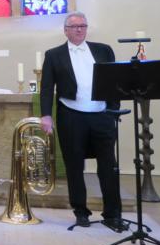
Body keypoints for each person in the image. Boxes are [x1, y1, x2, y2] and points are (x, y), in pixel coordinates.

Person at [40, 12, 124, 231]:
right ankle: (81, 212)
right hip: (71, 115)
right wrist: (46, 114)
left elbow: (114, 80)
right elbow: (47, 87)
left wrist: (113, 109)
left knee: (108, 166)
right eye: (74, 26)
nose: (79, 29)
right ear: (65, 30)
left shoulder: (103, 50)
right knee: (75, 166)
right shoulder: (54, 55)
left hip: (101, 115)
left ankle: (112, 214)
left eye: (83, 26)